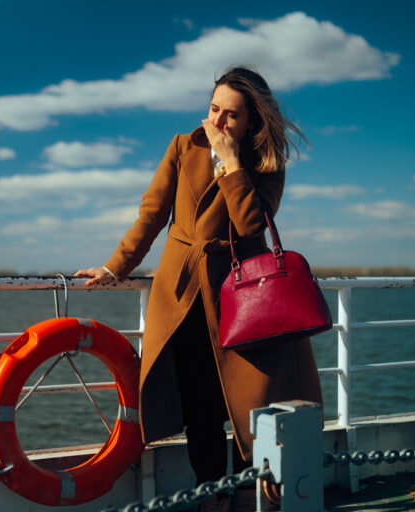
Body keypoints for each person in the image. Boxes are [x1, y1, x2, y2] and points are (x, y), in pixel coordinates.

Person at [75, 66, 323, 510]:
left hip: (242, 297)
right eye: (214, 109)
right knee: (201, 407)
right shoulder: (182, 146)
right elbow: (151, 216)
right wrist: (116, 266)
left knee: (251, 403)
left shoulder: (266, 165)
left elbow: (251, 225)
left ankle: (254, 491)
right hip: (186, 295)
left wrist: (230, 163)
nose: (218, 122)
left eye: (231, 115)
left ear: (252, 122)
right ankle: (215, 496)